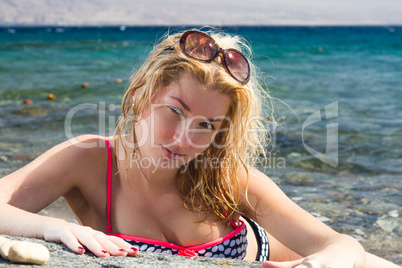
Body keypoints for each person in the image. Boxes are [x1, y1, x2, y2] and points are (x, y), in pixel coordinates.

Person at [0, 29, 398, 268]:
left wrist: (326, 260)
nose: (183, 139)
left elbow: (340, 244)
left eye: (207, 125)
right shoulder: (89, 160)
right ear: (142, 96)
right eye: (175, 111)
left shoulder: (225, 175)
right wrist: (55, 228)